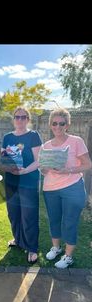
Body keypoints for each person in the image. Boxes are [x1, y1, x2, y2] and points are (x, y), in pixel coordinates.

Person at [41, 108, 92, 268]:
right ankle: (56, 248)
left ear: (67, 125)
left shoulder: (77, 141)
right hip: (50, 188)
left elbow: (88, 164)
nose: (58, 127)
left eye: (61, 123)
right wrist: (43, 168)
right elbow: (43, 169)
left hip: (72, 188)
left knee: (70, 222)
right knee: (54, 220)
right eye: (54, 123)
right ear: (50, 125)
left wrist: (67, 170)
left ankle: (68, 256)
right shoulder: (46, 145)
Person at [0, 107, 42, 264]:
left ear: (28, 119)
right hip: (11, 182)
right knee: (14, 214)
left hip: (28, 182)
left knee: (29, 216)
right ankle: (18, 239)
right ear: (13, 119)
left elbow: (39, 160)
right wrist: (6, 166)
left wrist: (24, 171)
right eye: (17, 117)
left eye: (23, 117)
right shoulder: (7, 137)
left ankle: (32, 248)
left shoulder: (33, 136)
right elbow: (4, 159)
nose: (20, 120)